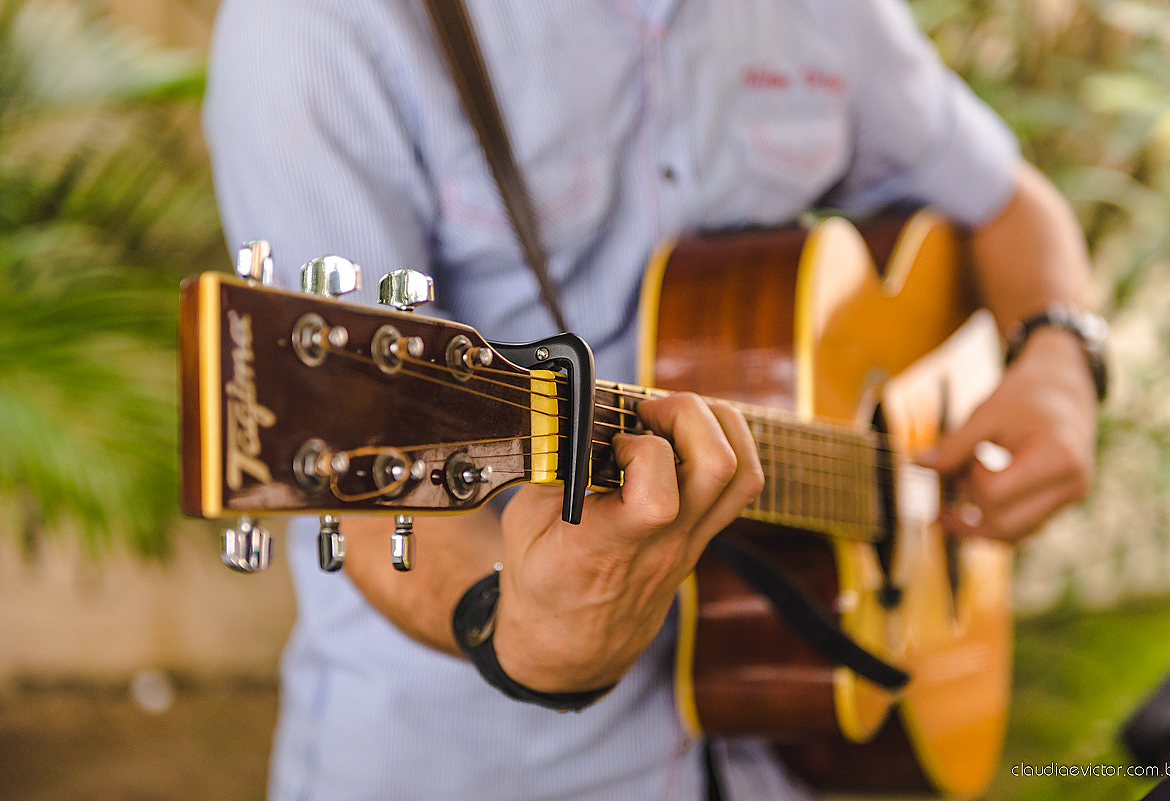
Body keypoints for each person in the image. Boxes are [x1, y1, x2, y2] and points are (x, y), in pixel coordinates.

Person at [202, 1, 1102, 799]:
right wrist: (511, 623)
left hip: (781, 741)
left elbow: (1006, 203)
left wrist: (1063, 357)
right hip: (478, 759)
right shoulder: (317, 27)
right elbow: (367, 486)